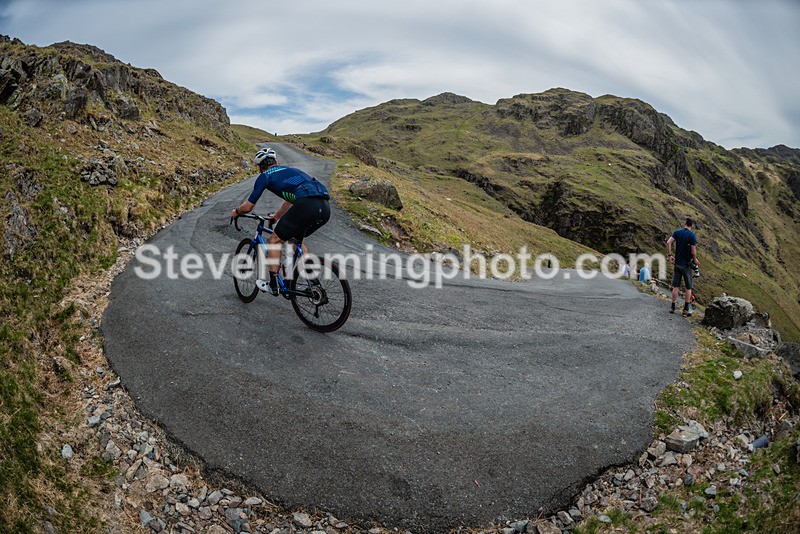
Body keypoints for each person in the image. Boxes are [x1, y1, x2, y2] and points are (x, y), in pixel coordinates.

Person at [230, 147, 331, 295]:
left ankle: (273, 285)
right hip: (324, 207)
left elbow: (248, 207)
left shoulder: (265, 176)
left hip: (306, 205)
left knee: (274, 240)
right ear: (276, 162)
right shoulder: (289, 170)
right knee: (295, 240)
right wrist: (277, 216)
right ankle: (313, 283)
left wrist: (236, 212)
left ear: (259, 167)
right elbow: (290, 199)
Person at [666, 217, 699, 316]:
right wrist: (695, 260)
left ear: (685, 223)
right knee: (688, 287)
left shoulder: (677, 232)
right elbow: (693, 251)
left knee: (676, 286)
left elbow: (669, 242)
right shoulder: (692, 235)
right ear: (692, 225)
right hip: (686, 265)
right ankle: (685, 310)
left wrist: (670, 255)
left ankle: (672, 307)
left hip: (677, 263)